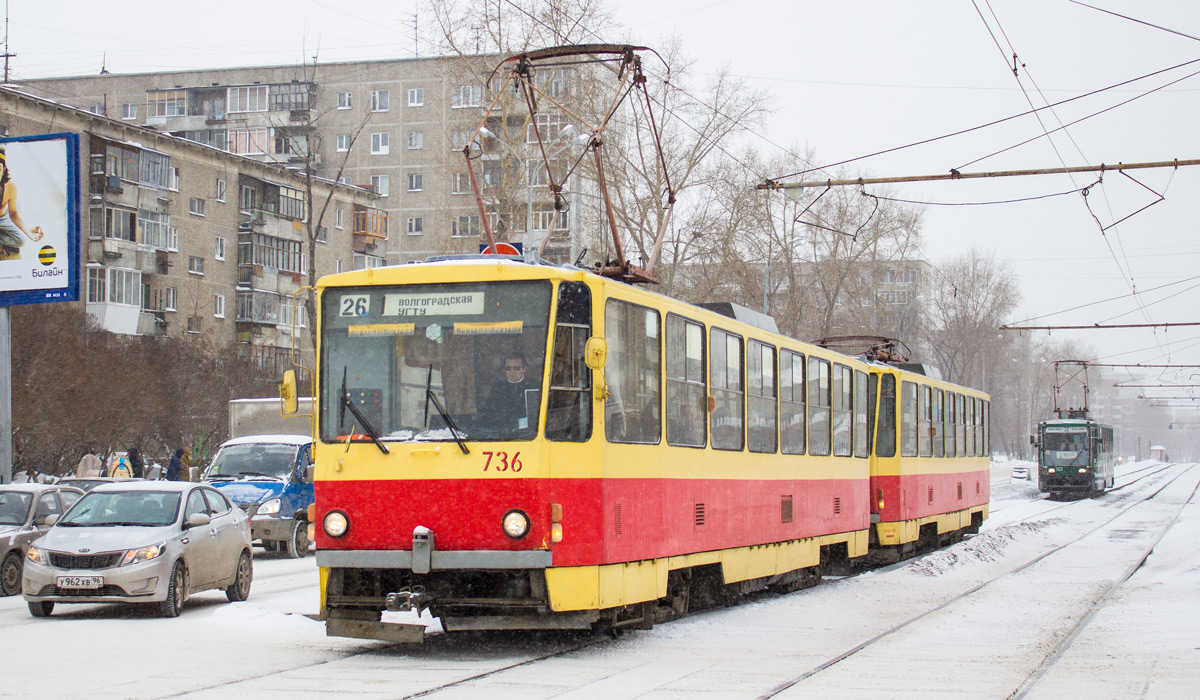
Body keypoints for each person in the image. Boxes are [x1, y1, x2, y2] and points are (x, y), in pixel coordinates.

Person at [0, 146, 44, 261]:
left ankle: (21, 230)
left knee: (21, 240)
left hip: (5, 216)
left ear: (4, 169)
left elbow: (14, 214)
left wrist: (28, 232)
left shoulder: (10, 187)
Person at [482, 351, 535, 431]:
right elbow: (489, 414)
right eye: (508, 368)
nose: (512, 372)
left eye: (516, 368)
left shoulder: (533, 386)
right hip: (502, 434)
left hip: (527, 435)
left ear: (524, 368)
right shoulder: (498, 388)